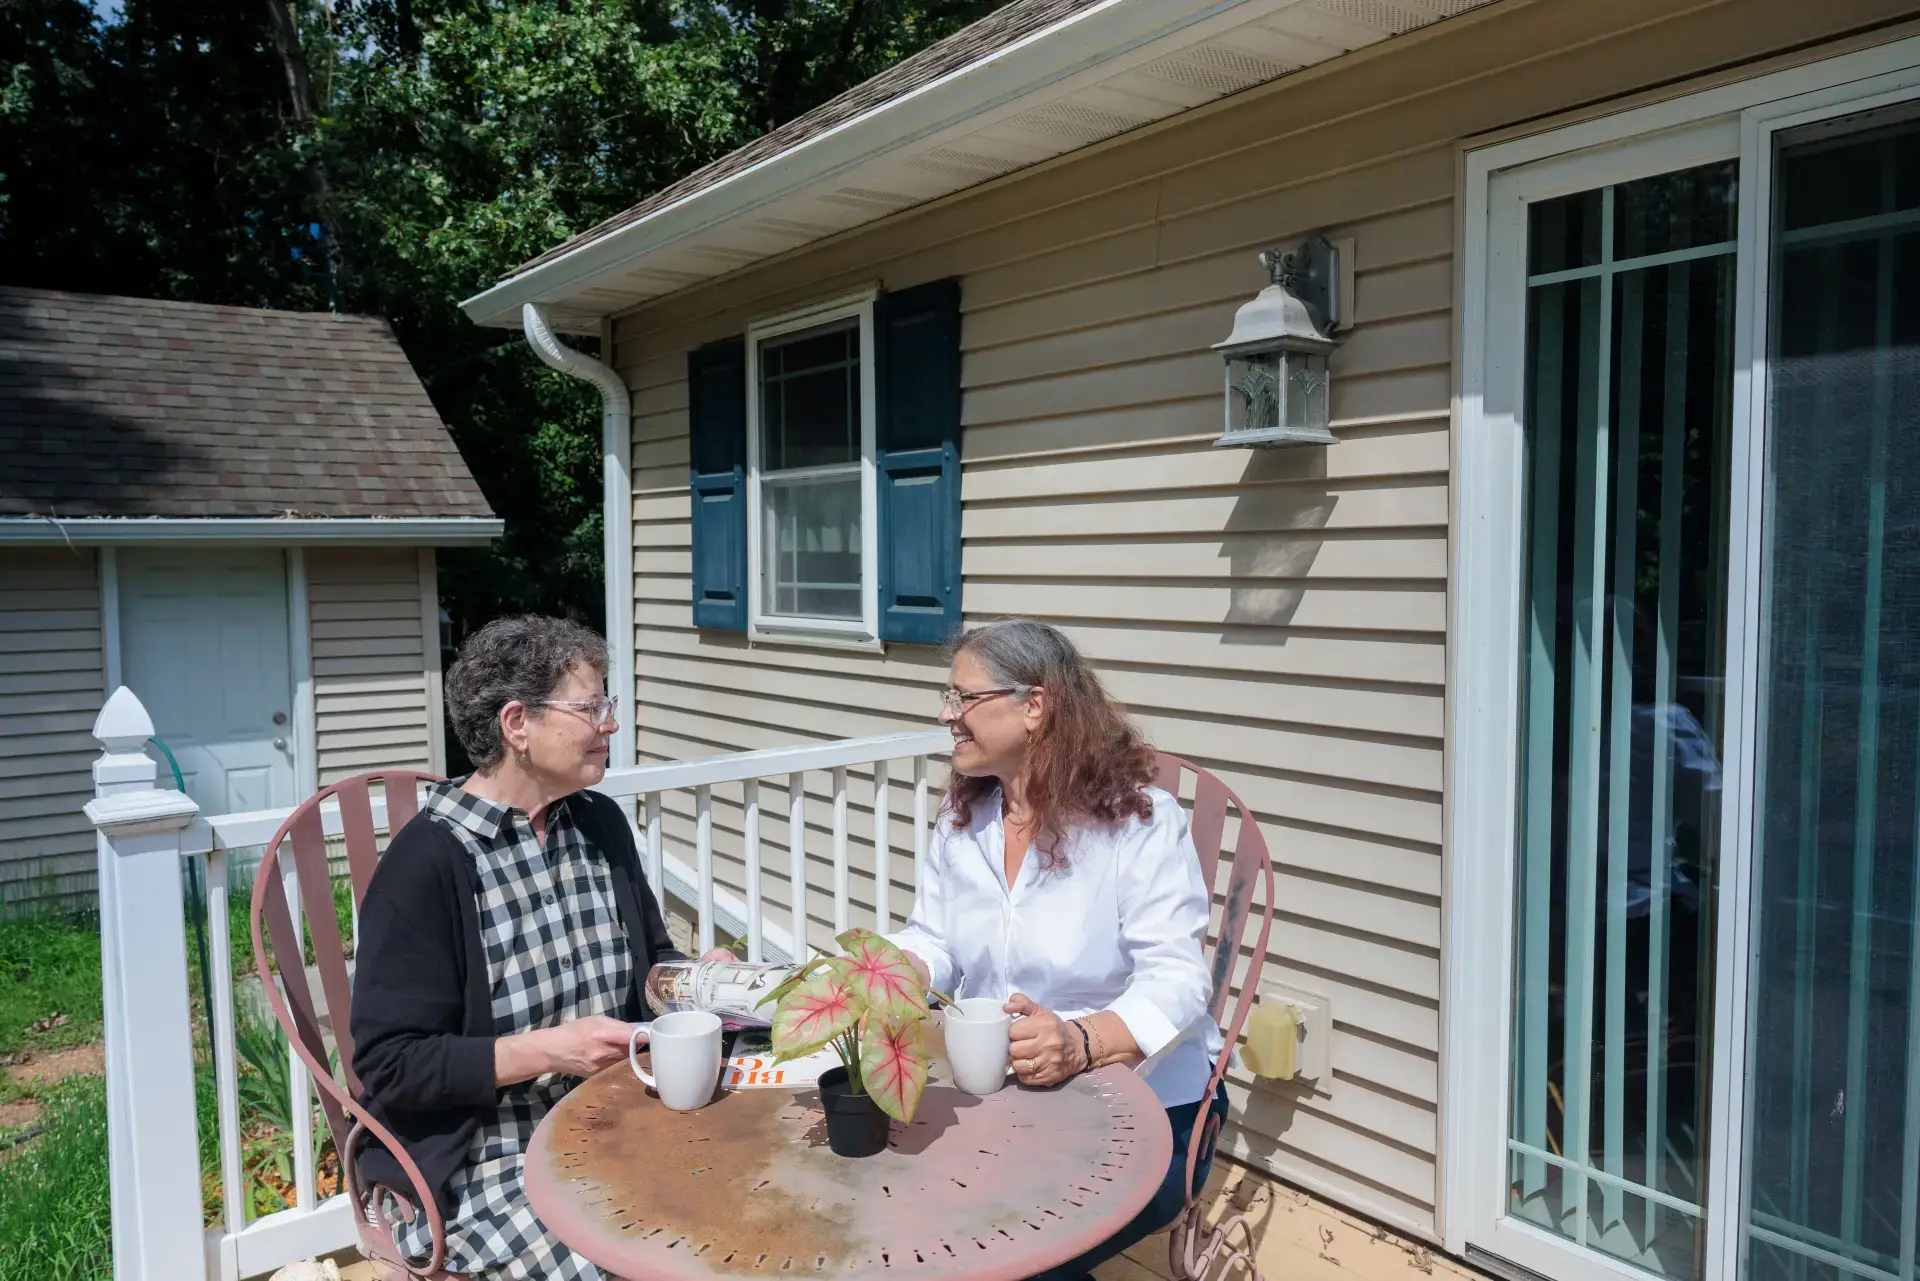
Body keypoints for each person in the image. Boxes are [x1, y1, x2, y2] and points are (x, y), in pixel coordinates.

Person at [350, 615, 729, 1280]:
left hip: (619, 1117)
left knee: (744, 1212)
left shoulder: (597, 822)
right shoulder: (428, 863)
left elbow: (649, 968)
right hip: (486, 1157)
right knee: (642, 1263)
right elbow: (390, 1063)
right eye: (592, 707)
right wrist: (552, 1049)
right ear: (517, 724)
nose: (610, 723)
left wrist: (698, 981)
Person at [888, 618, 1223, 1281]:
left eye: (964, 698)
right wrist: (881, 971)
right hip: (1009, 1100)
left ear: (1034, 706)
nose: (945, 714)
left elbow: (1178, 979)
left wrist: (1080, 1041)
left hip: (1151, 1107)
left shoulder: (1138, 825)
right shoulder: (966, 823)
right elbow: (933, 938)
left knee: (1000, 1252)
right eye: (947, 696)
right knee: (904, 1212)